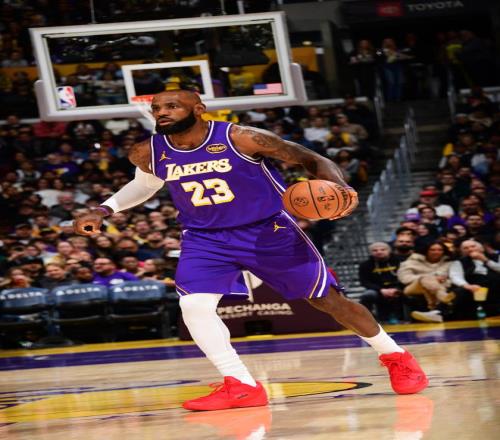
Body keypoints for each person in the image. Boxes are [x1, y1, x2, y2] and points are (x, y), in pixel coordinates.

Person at [74, 89, 427, 412]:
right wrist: (104, 210)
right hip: (205, 237)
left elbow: (309, 158)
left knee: (327, 300)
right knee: (193, 306)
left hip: (267, 231)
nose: (161, 112)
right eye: (157, 108)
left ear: (198, 109)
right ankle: (241, 384)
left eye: (172, 106)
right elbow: (144, 185)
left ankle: (396, 357)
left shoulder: (240, 137)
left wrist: (339, 188)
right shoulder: (148, 151)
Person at [358, 242, 404, 323]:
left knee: (409, 292)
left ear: (389, 251)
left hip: (398, 287)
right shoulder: (365, 265)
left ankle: (407, 317)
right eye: (375, 250)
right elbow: (364, 282)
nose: (379, 252)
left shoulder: (399, 261)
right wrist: (380, 290)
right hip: (377, 289)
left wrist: (396, 288)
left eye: (383, 249)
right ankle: (369, 320)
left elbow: (405, 277)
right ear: (370, 252)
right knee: (367, 295)